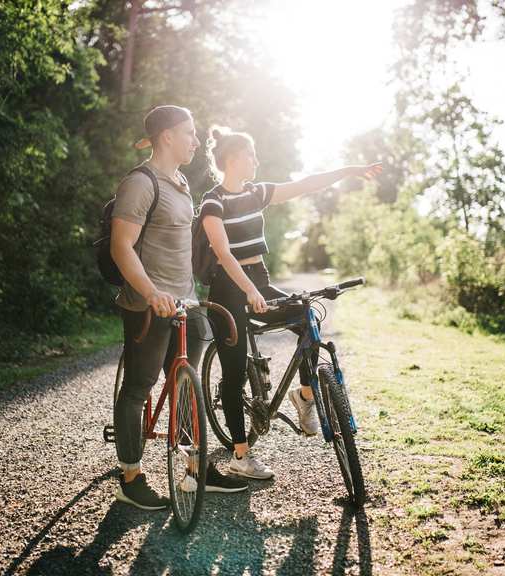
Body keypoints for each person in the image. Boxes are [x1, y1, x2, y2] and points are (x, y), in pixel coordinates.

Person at [199, 126, 382, 480]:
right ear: (234, 159)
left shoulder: (257, 192)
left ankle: (305, 394)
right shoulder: (213, 201)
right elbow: (222, 253)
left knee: (306, 314)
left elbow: (306, 184)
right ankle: (240, 455)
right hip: (227, 291)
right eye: (251, 154)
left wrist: (349, 171)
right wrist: (248, 290)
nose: (256, 160)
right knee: (234, 375)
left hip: (260, 281)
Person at [111, 107, 247, 511]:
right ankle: (131, 477)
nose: (195, 140)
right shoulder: (140, 183)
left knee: (188, 389)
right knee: (139, 387)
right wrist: (152, 292)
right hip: (148, 304)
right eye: (189, 133)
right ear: (167, 136)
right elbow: (121, 247)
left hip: (186, 302)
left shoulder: (183, 183)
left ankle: (195, 470)